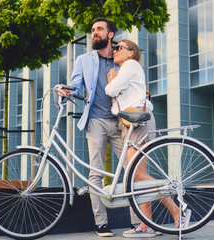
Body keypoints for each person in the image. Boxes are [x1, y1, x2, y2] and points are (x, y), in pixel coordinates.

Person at [60, 17, 140, 237]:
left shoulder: (120, 57)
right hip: (94, 120)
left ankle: (138, 223)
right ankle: (102, 223)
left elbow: (133, 82)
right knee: (95, 173)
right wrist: (67, 92)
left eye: (99, 29)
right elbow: (76, 86)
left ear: (110, 34)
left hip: (120, 121)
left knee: (132, 170)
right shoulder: (83, 59)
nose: (94, 33)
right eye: (93, 29)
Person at [105, 39, 191, 238]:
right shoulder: (127, 69)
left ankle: (177, 210)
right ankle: (146, 224)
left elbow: (110, 90)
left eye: (120, 48)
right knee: (137, 175)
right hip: (129, 122)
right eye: (115, 48)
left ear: (131, 52)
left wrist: (112, 82)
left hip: (138, 122)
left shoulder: (130, 65)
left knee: (136, 174)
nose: (115, 50)